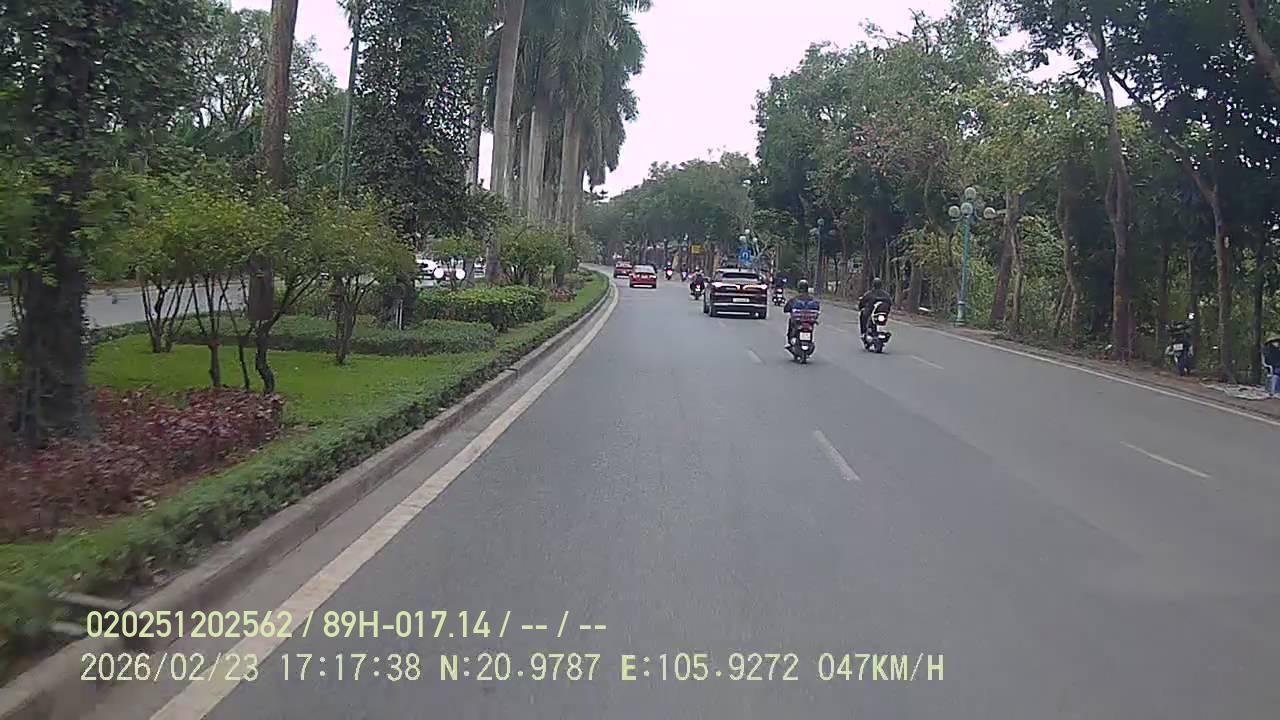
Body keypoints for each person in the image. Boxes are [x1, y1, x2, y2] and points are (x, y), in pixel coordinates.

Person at [783, 279, 820, 346]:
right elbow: (817, 309)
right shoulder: (812, 299)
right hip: (809, 323)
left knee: (791, 321)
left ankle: (790, 340)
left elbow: (786, 308)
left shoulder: (794, 299)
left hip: (798, 323)